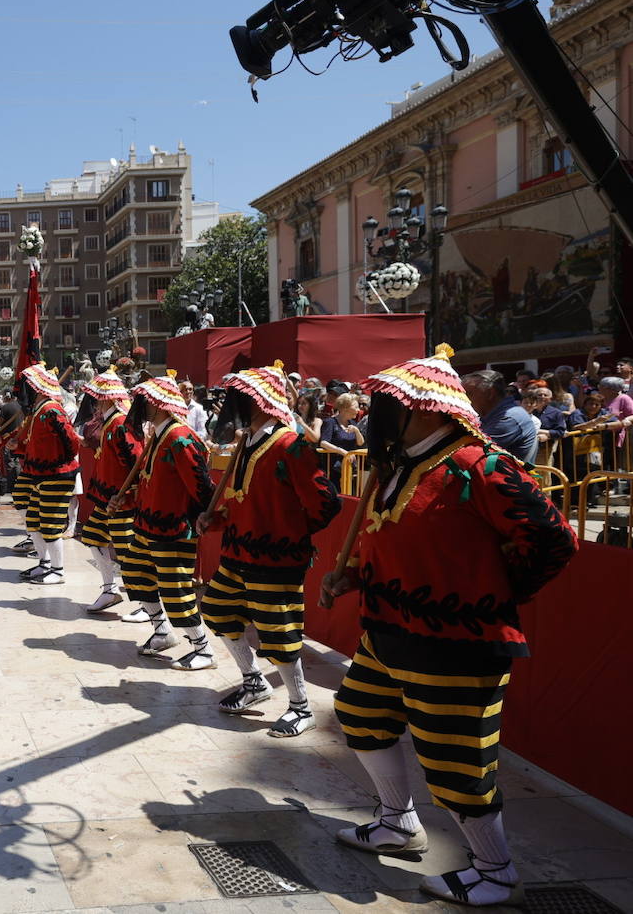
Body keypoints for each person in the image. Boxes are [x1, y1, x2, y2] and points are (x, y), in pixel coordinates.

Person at [322, 344, 577, 907]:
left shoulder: (480, 465)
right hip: (388, 630)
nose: (374, 412)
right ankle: (397, 821)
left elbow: (554, 539)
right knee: (361, 714)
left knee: (454, 759)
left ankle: (495, 868)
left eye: (387, 403)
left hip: (456, 643)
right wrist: (357, 576)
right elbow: (405, 546)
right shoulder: (401, 465)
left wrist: (492, 595)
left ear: (427, 409)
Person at [195, 361, 341, 737]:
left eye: (243, 397)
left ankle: (300, 705)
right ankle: (254, 681)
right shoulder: (248, 441)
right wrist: (219, 517)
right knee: (217, 609)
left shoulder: (290, 445)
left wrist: (286, 532)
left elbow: (325, 503)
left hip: (275, 558)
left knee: (279, 633)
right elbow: (243, 500)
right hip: (237, 553)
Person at [111, 374, 216, 666]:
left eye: (145, 401)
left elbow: (200, 486)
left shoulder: (179, 437)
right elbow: (152, 481)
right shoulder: (158, 434)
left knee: (175, 588)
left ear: (159, 404)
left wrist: (204, 518)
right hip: (147, 524)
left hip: (173, 527)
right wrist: (129, 497)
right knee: (134, 573)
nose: (139, 406)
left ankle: (202, 646)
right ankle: (161, 630)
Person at [74, 368, 143, 614]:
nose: (95, 400)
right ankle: (109, 589)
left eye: (99, 396)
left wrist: (127, 492)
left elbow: (138, 461)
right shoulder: (110, 421)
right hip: (107, 499)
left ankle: (149, 606)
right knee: (92, 536)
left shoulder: (122, 423)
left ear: (108, 398)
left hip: (121, 500)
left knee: (128, 553)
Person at [15, 364, 82, 586]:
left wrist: (59, 459)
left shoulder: (52, 409)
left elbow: (71, 441)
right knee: (34, 521)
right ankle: (44, 563)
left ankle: (58, 570)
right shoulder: (39, 410)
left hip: (56, 474)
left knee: (51, 524)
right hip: (39, 475)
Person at [463, 370, 537, 465]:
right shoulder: (492, 414)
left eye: (469, 393)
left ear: (490, 393)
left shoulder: (508, 418)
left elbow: (471, 453)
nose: (464, 399)